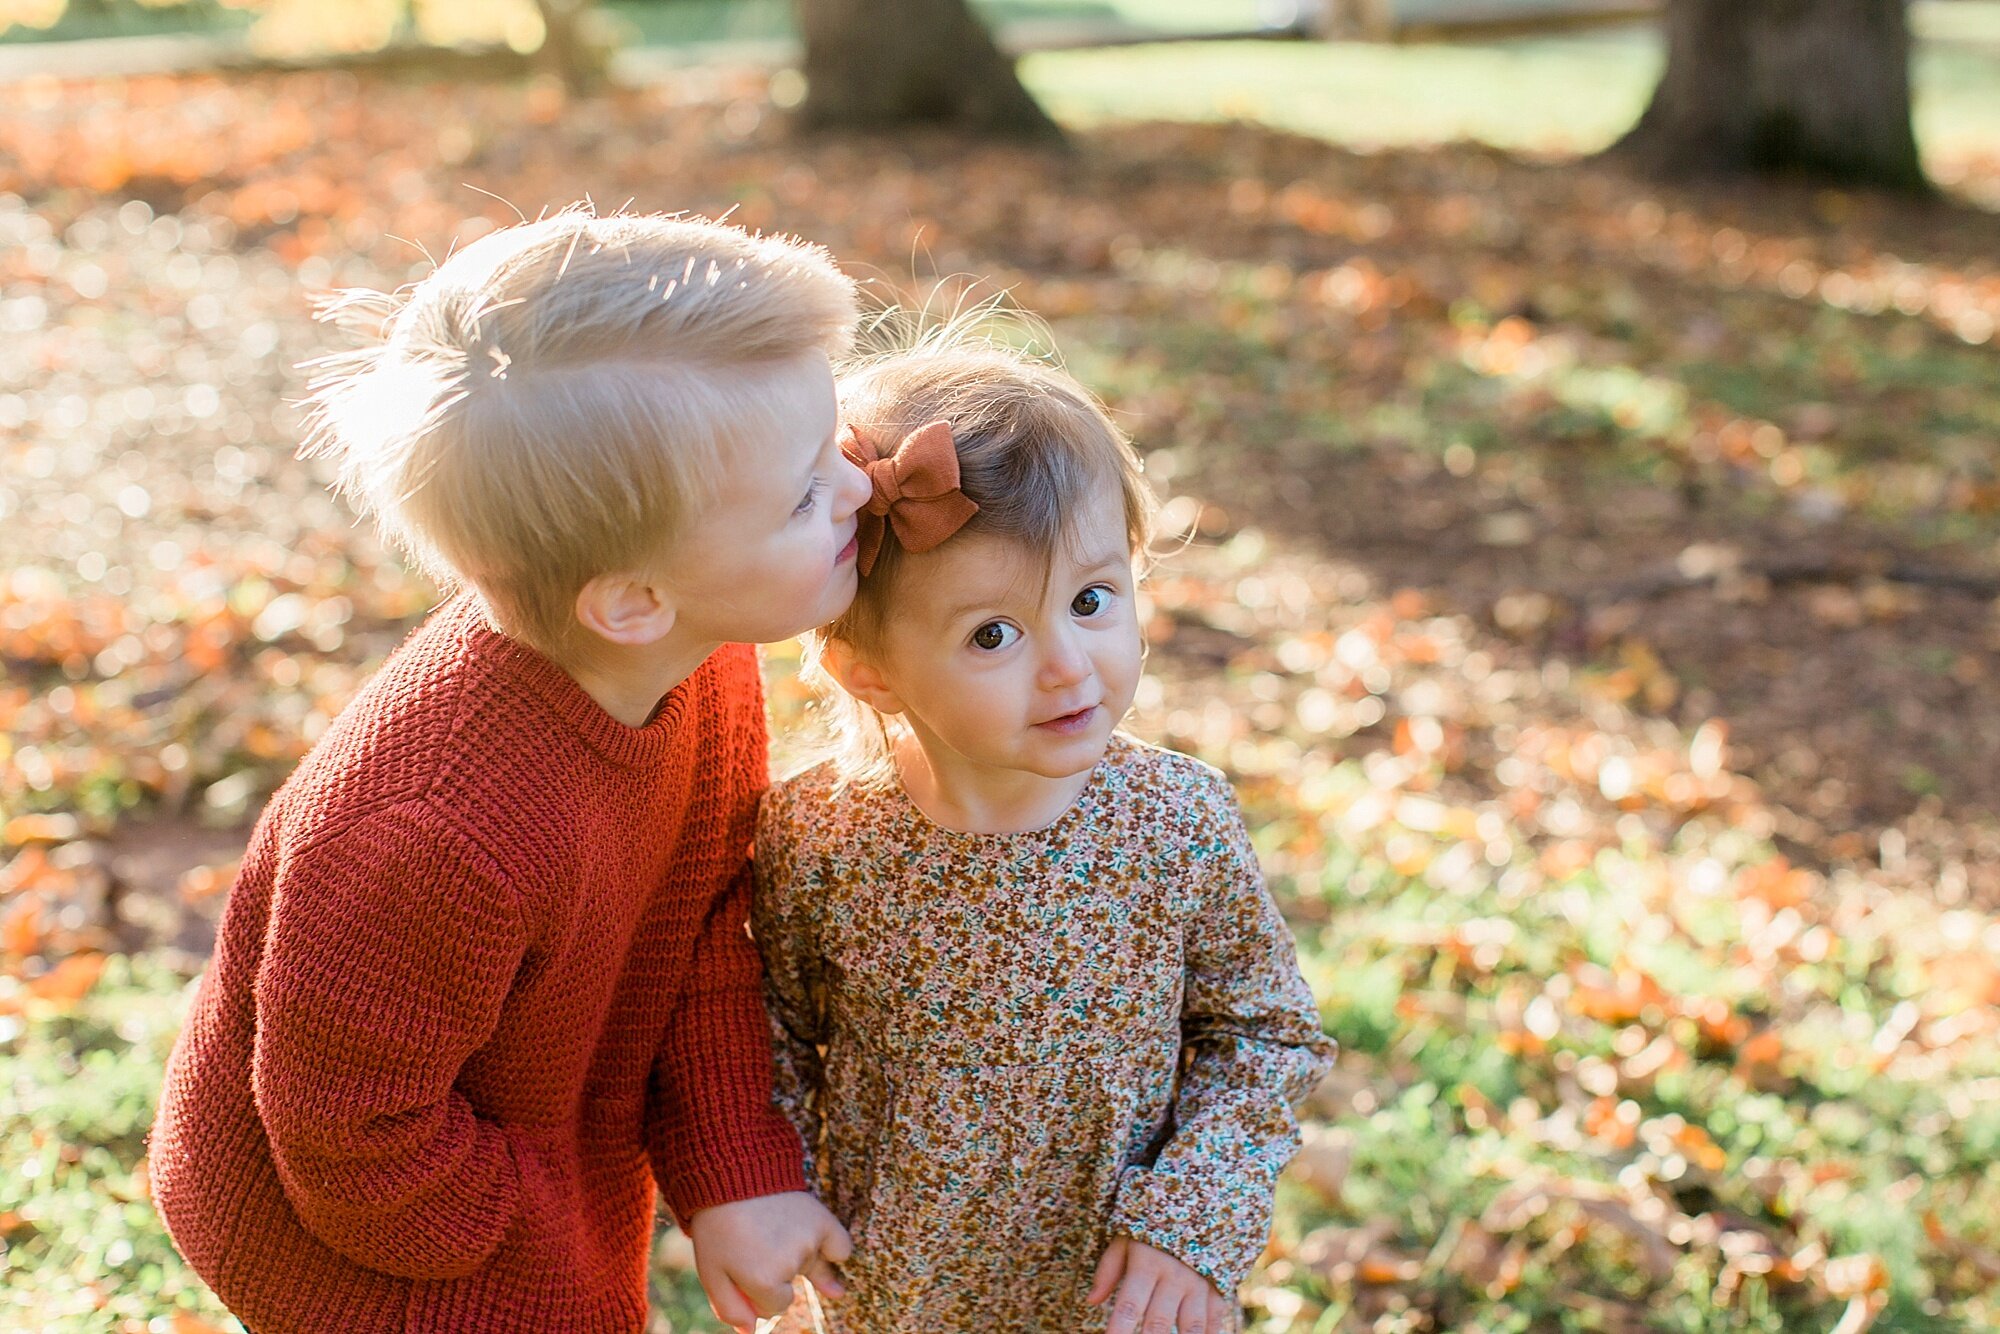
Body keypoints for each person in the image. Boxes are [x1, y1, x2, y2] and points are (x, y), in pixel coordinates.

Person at [149, 207, 870, 1334]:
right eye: (802, 493)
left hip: (508, 1120)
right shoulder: (428, 829)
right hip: (362, 1238)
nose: (858, 489)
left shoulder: (698, 656)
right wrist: (541, 1227)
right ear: (631, 598)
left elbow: (699, 924)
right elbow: (347, 1133)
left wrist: (732, 1163)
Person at [752, 337, 1337, 1333]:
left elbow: (1263, 1031)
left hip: (1119, 1296)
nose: (1069, 664)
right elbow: (761, 1039)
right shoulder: (817, 839)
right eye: (994, 633)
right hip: (891, 1293)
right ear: (868, 666)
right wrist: (774, 1192)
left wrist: (1189, 1222)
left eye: (1092, 598)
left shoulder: (1174, 819)